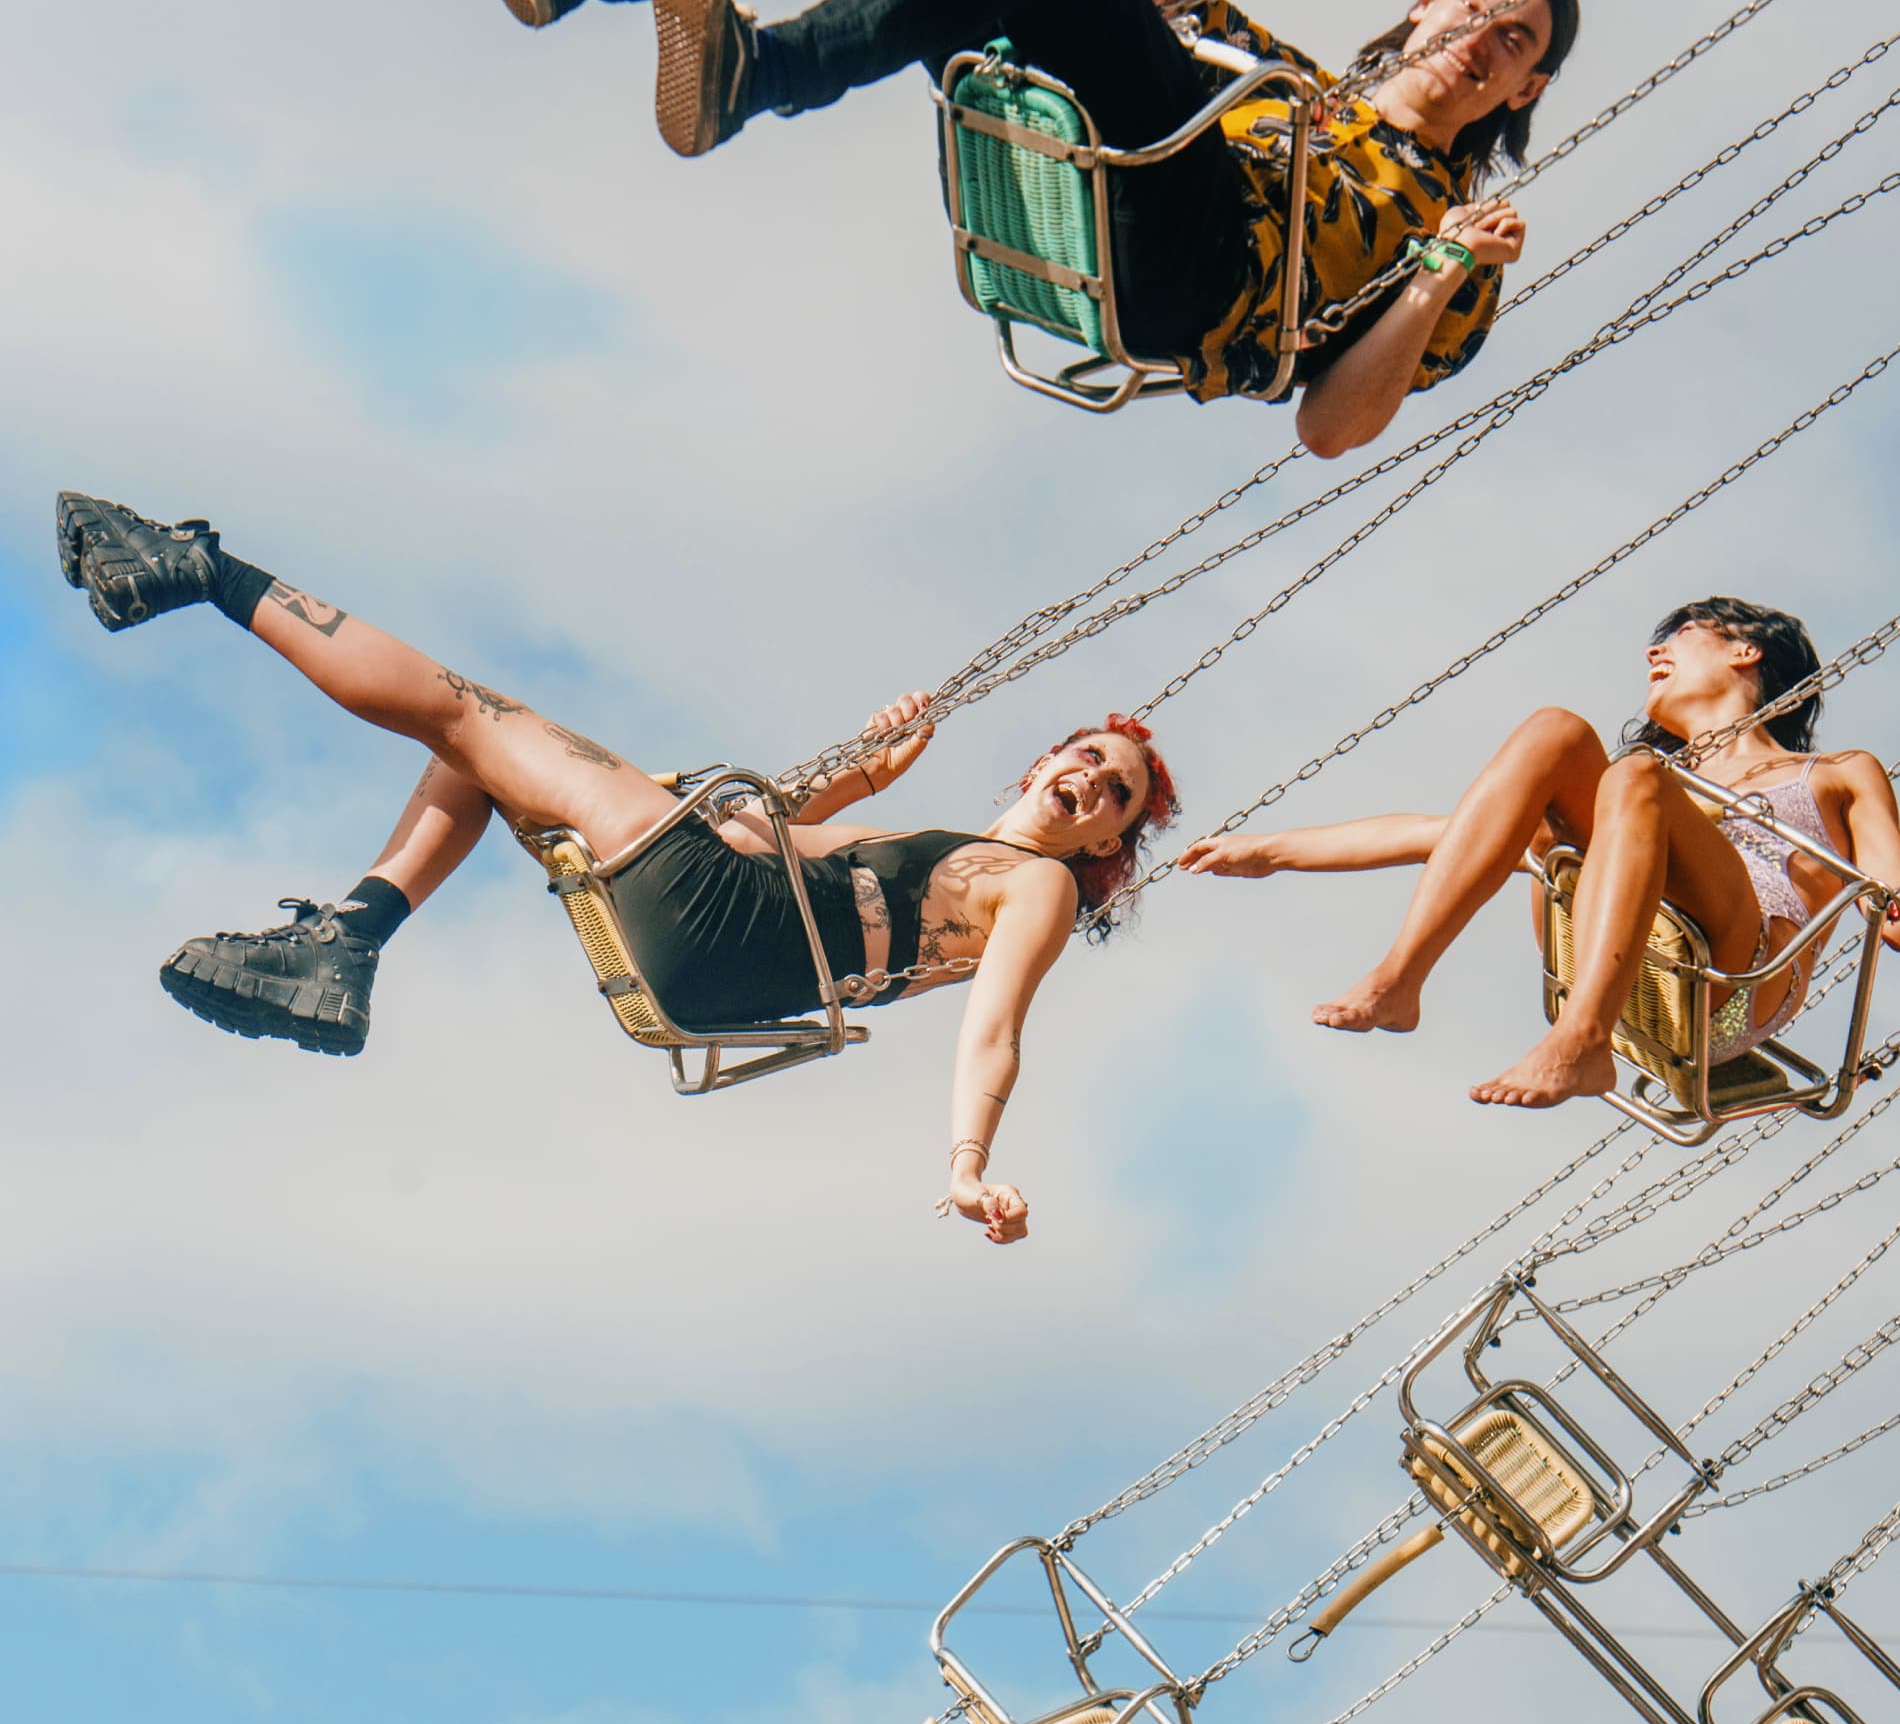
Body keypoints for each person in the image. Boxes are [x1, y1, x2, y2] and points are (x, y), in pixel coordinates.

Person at [56, 492, 1178, 1244]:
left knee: (464, 708)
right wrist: (864, 779)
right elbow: (776, 832)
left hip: (724, 917)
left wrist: (967, 1163)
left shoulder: (1035, 886)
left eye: (1116, 793)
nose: (1091, 779)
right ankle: (345, 939)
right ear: (1042, 761)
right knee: (478, 752)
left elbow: (996, 1027)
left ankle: (201, 571)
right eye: (1086, 756)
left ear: (1104, 847)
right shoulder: (963, 860)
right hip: (718, 952)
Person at [411, 0, 1582, 451]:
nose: (1479, 38)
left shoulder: (1461, 247)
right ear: (1426, 0)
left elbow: (1328, 429)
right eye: (1472, 5)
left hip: (1198, 271)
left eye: (1513, 39)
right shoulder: (1294, 80)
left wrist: (1432, 273)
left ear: (1525, 87)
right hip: (1099, 159)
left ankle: (765, 72)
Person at [1181, 598, 1900, 1108]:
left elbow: (1891, 896)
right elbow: (1446, 833)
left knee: (1637, 775)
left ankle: (1582, 1039)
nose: (1654, 652)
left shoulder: (1837, 774)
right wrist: (1270, 849)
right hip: (1624, 958)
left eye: (1682, 634)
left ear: (1747, 650)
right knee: (1557, 732)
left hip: (1737, 986)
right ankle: (1399, 981)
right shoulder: (1642, 790)